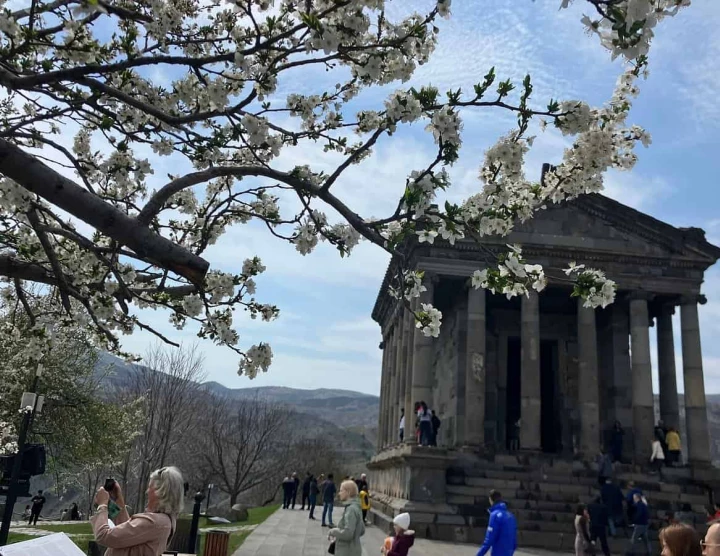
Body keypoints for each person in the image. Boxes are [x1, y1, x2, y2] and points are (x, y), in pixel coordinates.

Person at [91, 466, 184, 556]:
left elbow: (103, 536)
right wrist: (118, 501)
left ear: (159, 492)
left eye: (150, 487)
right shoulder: (165, 521)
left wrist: (102, 506)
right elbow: (127, 534)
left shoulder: (154, 523)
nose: (147, 492)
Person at [328, 480, 365, 556]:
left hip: (347, 551)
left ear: (348, 492)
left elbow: (348, 534)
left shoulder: (351, 509)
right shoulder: (357, 507)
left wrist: (333, 531)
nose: (339, 493)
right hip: (354, 549)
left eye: (341, 490)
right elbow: (362, 530)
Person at [476, 490, 517, 556]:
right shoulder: (511, 516)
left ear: (490, 499)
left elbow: (488, 540)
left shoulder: (494, 515)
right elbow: (514, 542)